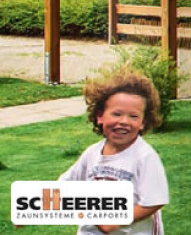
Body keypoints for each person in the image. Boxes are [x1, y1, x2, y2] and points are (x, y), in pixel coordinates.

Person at [59, 69, 169, 235]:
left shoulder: (144, 157)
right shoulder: (92, 154)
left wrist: (117, 219)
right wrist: (32, 211)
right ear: (100, 116)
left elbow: (154, 201)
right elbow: (64, 186)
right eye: (116, 114)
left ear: (143, 123)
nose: (124, 122)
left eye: (133, 116)